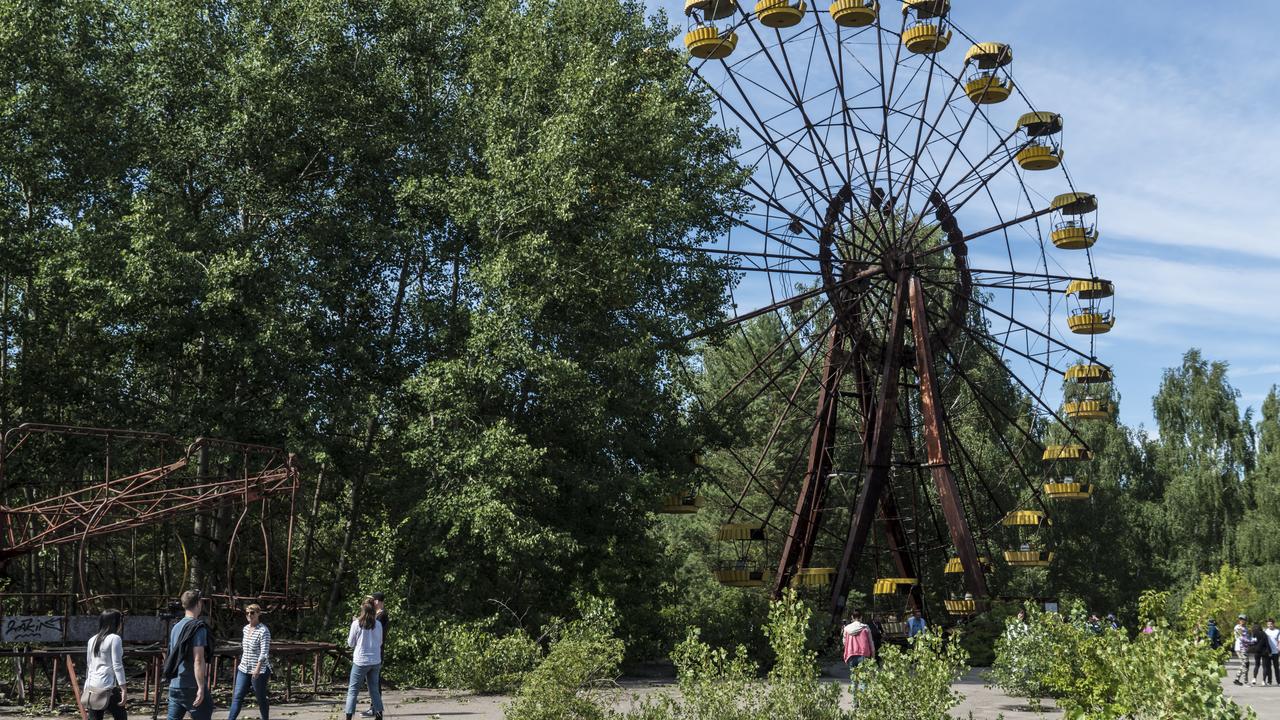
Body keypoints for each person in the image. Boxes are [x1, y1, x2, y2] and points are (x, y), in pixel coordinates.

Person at [163, 590, 213, 720]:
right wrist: (201, 687)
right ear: (198, 603)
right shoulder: (198, 628)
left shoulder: (176, 627)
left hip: (175, 686)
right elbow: (198, 660)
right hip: (191, 685)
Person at [227, 604, 272, 720]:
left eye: (252, 613)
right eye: (247, 613)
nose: (249, 615)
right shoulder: (245, 629)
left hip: (259, 670)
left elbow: (264, 652)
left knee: (260, 697)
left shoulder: (264, 631)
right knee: (237, 696)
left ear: (258, 614)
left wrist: (257, 669)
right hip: (244, 668)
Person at [83, 609, 127, 720]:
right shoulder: (115, 638)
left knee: (95, 718)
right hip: (108, 687)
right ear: (115, 622)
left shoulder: (92, 640)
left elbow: (89, 665)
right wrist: (124, 689)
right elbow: (117, 665)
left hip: (92, 686)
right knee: (121, 717)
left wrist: (86, 687)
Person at [345, 597, 384, 720]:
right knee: (374, 690)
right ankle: (379, 715)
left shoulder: (356, 624)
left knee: (353, 690)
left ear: (362, 610)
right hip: (375, 660)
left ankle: (349, 716)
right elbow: (380, 642)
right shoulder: (378, 624)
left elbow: (351, 643)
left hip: (361, 661)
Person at [361, 594, 390, 717]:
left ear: (377, 601)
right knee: (373, 681)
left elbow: (372, 629)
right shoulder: (379, 615)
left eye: (373, 600)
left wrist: (360, 622)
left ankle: (375, 708)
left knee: (374, 682)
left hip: (376, 651)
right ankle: (375, 707)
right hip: (376, 651)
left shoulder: (381, 615)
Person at [842, 610, 876, 679]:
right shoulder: (865, 628)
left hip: (850, 655)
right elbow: (871, 642)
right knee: (863, 680)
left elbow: (844, 642)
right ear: (861, 617)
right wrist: (873, 655)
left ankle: (854, 689)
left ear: (852, 617)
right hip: (863, 655)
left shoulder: (846, 629)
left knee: (854, 680)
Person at [1233, 615, 1253, 685]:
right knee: (1245, 664)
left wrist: (1251, 639)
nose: (1242, 621)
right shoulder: (1238, 627)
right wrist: (1251, 641)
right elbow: (1241, 638)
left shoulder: (1245, 628)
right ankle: (1245, 682)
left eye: (1243, 619)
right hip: (1240, 647)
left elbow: (1248, 636)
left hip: (1245, 647)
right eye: (1240, 619)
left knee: (1244, 664)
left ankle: (1236, 679)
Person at [1250, 620, 1271, 686]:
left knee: (1257, 665)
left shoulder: (1254, 634)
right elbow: (1267, 643)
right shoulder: (1264, 634)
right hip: (1264, 652)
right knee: (1264, 667)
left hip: (1257, 651)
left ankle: (1254, 679)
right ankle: (1263, 681)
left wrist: (1253, 648)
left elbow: (1252, 643)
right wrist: (1270, 651)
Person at [1265, 619, 1280, 686]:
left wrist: (1278, 648)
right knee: (1268, 667)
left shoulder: (1277, 631)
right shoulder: (1265, 631)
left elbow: (1279, 641)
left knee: (1276, 667)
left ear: (1273, 624)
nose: (1269, 625)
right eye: (1268, 624)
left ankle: (1278, 681)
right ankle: (1269, 681)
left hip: (1275, 652)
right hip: (1268, 652)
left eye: (1271, 624)